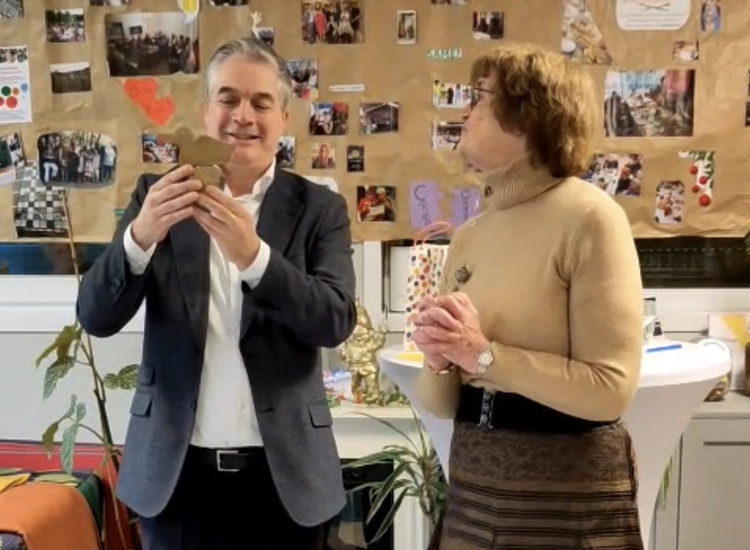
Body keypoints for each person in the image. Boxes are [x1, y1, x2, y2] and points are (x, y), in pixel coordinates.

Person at [76, 35, 357, 550]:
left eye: (261, 102)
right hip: (176, 480)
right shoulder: (158, 196)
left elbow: (334, 320)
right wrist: (140, 237)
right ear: (206, 110)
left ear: (283, 118)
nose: (243, 116)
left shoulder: (320, 209)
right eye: (228, 98)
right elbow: (96, 316)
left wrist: (255, 258)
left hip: (285, 481)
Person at [411, 43, 645, 550]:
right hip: (475, 484)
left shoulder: (591, 218)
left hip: (565, 496)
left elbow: (610, 389)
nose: (465, 111)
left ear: (528, 115)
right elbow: (441, 404)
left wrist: (484, 355)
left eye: (479, 96)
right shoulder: (470, 234)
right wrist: (439, 357)